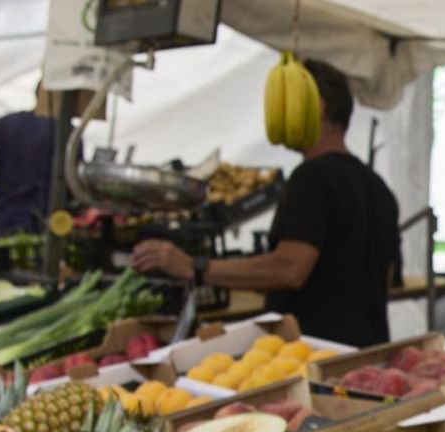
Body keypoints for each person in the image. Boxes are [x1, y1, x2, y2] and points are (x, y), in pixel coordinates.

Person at [132, 60, 400, 347]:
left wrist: (194, 267)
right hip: (366, 356)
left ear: (318, 106)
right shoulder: (378, 187)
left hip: (315, 360)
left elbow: (289, 269)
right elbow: (386, 278)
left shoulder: (311, 178)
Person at [0, 86, 59, 233]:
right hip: (49, 222)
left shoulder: (3, 124)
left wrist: (2, 166)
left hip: (8, 217)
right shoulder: (67, 133)